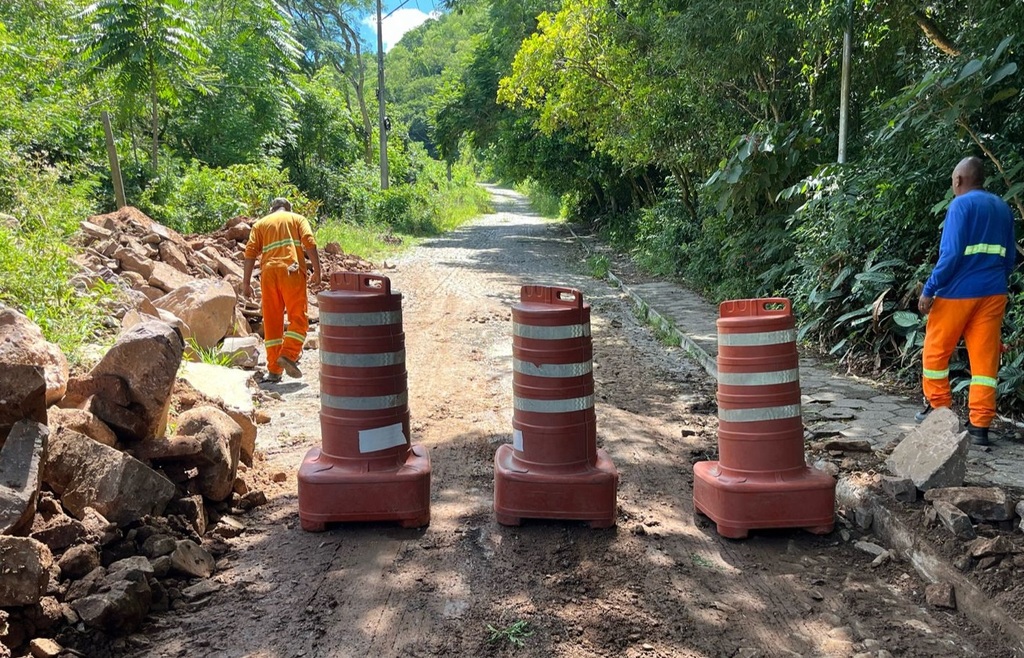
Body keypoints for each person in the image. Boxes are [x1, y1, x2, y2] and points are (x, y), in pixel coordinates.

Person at [917, 156, 1016, 445]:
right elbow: (1010, 257)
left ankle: (939, 412)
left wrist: (930, 288)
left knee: (936, 354)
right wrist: (997, 281)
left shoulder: (960, 205)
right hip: (993, 293)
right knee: (985, 361)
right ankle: (980, 427)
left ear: (958, 180)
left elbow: (951, 254)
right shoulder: (1002, 207)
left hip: (957, 293)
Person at [242, 197, 322, 383]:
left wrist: (246, 283)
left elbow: (250, 252)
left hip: (268, 274)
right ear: (288, 208)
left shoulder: (260, 224)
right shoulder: (297, 219)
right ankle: (288, 353)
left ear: (272, 210)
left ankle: (274, 370)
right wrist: (317, 270)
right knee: (299, 319)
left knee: (272, 323)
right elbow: (309, 242)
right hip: (291, 271)